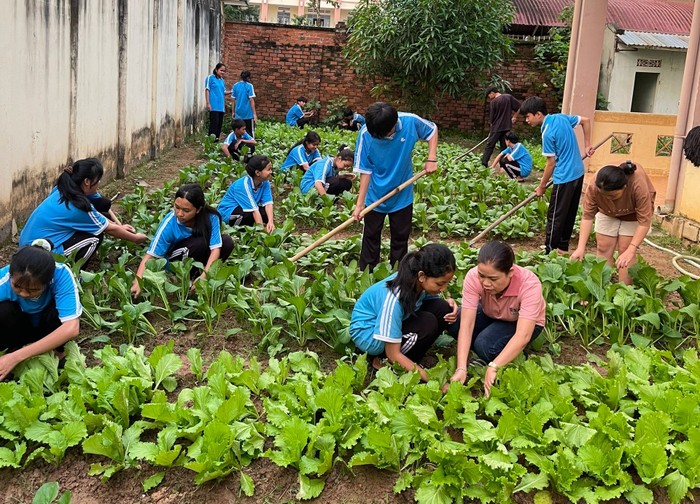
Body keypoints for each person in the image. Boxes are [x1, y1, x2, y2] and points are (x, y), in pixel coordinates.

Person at [447, 241, 545, 397]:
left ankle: (514, 354)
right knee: (455, 323)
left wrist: (494, 367)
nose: (486, 283)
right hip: (491, 313)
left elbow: (523, 334)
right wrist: (461, 368)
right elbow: (466, 324)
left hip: (520, 323)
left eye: (493, 279)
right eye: (482, 276)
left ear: (510, 272)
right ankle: (495, 350)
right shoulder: (473, 277)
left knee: (485, 345)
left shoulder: (529, 284)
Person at [350, 243, 460, 382]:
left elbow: (434, 302)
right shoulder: (394, 298)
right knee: (427, 323)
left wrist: (449, 302)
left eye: (446, 283)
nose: (443, 289)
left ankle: (409, 357)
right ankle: (383, 361)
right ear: (422, 276)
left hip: (390, 322)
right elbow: (393, 353)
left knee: (443, 309)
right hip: (371, 335)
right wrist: (433, 381)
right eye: (440, 284)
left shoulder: (414, 278)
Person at [352, 101, 438, 271]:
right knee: (370, 236)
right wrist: (359, 205)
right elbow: (365, 171)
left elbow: (432, 130)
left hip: (402, 194)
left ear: (392, 126)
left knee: (400, 237)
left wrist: (431, 158)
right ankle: (367, 273)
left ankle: (399, 274)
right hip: (375, 194)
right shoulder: (365, 134)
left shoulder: (410, 121)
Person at [19, 158, 147, 265]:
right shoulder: (78, 207)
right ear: (87, 182)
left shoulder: (62, 189)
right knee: (95, 236)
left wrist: (120, 226)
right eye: (98, 180)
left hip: (25, 249)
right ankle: (73, 273)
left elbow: (97, 218)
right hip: (38, 258)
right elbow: (107, 228)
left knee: (99, 222)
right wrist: (135, 238)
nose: (99, 183)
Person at [520, 96, 595, 254]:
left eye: (528, 116)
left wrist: (541, 186)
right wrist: (587, 145)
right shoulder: (560, 117)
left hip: (564, 177)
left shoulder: (547, 133)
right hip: (578, 173)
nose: (526, 120)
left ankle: (550, 250)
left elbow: (551, 163)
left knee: (555, 216)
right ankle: (562, 247)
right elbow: (586, 121)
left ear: (538, 114)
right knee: (569, 213)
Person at [130, 184, 234, 297]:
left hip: (197, 255)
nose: (179, 213)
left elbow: (215, 249)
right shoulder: (170, 223)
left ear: (198, 209)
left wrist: (204, 276)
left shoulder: (211, 218)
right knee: (200, 242)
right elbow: (150, 255)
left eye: (186, 210)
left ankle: (201, 275)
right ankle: (183, 278)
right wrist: (138, 281)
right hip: (176, 262)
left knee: (227, 242)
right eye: (177, 207)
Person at [0, 239, 82, 381]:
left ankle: (58, 353)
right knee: (4, 310)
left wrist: (16, 357)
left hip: (49, 328)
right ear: (11, 275)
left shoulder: (60, 275)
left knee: (59, 311)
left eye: (33, 290)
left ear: (48, 281)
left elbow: (71, 328)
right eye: (17, 287)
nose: (24, 294)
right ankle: (14, 348)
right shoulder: (3, 279)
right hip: (20, 327)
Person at [570, 161, 656, 285]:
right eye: (604, 196)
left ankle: (624, 291)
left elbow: (644, 222)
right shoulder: (595, 185)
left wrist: (632, 249)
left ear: (624, 187)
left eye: (612, 196)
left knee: (625, 249)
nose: (609, 199)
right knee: (603, 247)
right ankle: (601, 287)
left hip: (633, 214)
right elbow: (587, 217)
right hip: (606, 212)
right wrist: (580, 247)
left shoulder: (638, 185)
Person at [216, 155, 275, 233]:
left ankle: (257, 227)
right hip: (228, 212)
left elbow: (268, 203)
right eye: (268, 169)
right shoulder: (243, 185)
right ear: (257, 172)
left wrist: (271, 222)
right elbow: (254, 210)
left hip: (247, 208)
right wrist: (262, 232)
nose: (271, 172)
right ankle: (238, 231)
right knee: (248, 216)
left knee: (265, 213)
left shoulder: (265, 182)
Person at [481, 86, 521, 167]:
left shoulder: (493, 102)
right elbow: (519, 108)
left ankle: (484, 163)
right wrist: (514, 117)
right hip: (507, 127)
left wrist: (491, 130)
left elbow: (492, 119)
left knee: (490, 145)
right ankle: (503, 165)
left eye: (489, 95)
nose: (489, 98)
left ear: (492, 93)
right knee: (504, 147)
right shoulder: (508, 97)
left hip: (496, 128)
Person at [231, 70, 257, 138]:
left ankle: (239, 145)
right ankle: (251, 146)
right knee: (250, 131)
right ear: (248, 77)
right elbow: (251, 100)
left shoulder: (235, 86)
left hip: (238, 113)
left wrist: (233, 112)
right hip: (248, 113)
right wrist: (254, 114)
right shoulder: (249, 86)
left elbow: (233, 100)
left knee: (238, 131)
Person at [205, 63, 227, 139]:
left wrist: (232, 91)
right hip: (213, 105)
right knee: (214, 123)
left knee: (219, 124)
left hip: (221, 106)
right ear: (216, 69)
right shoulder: (210, 78)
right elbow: (207, 90)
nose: (222, 72)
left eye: (224, 71)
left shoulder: (222, 81)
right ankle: (210, 140)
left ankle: (216, 140)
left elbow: (223, 92)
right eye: (221, 70)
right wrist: (208, 103)